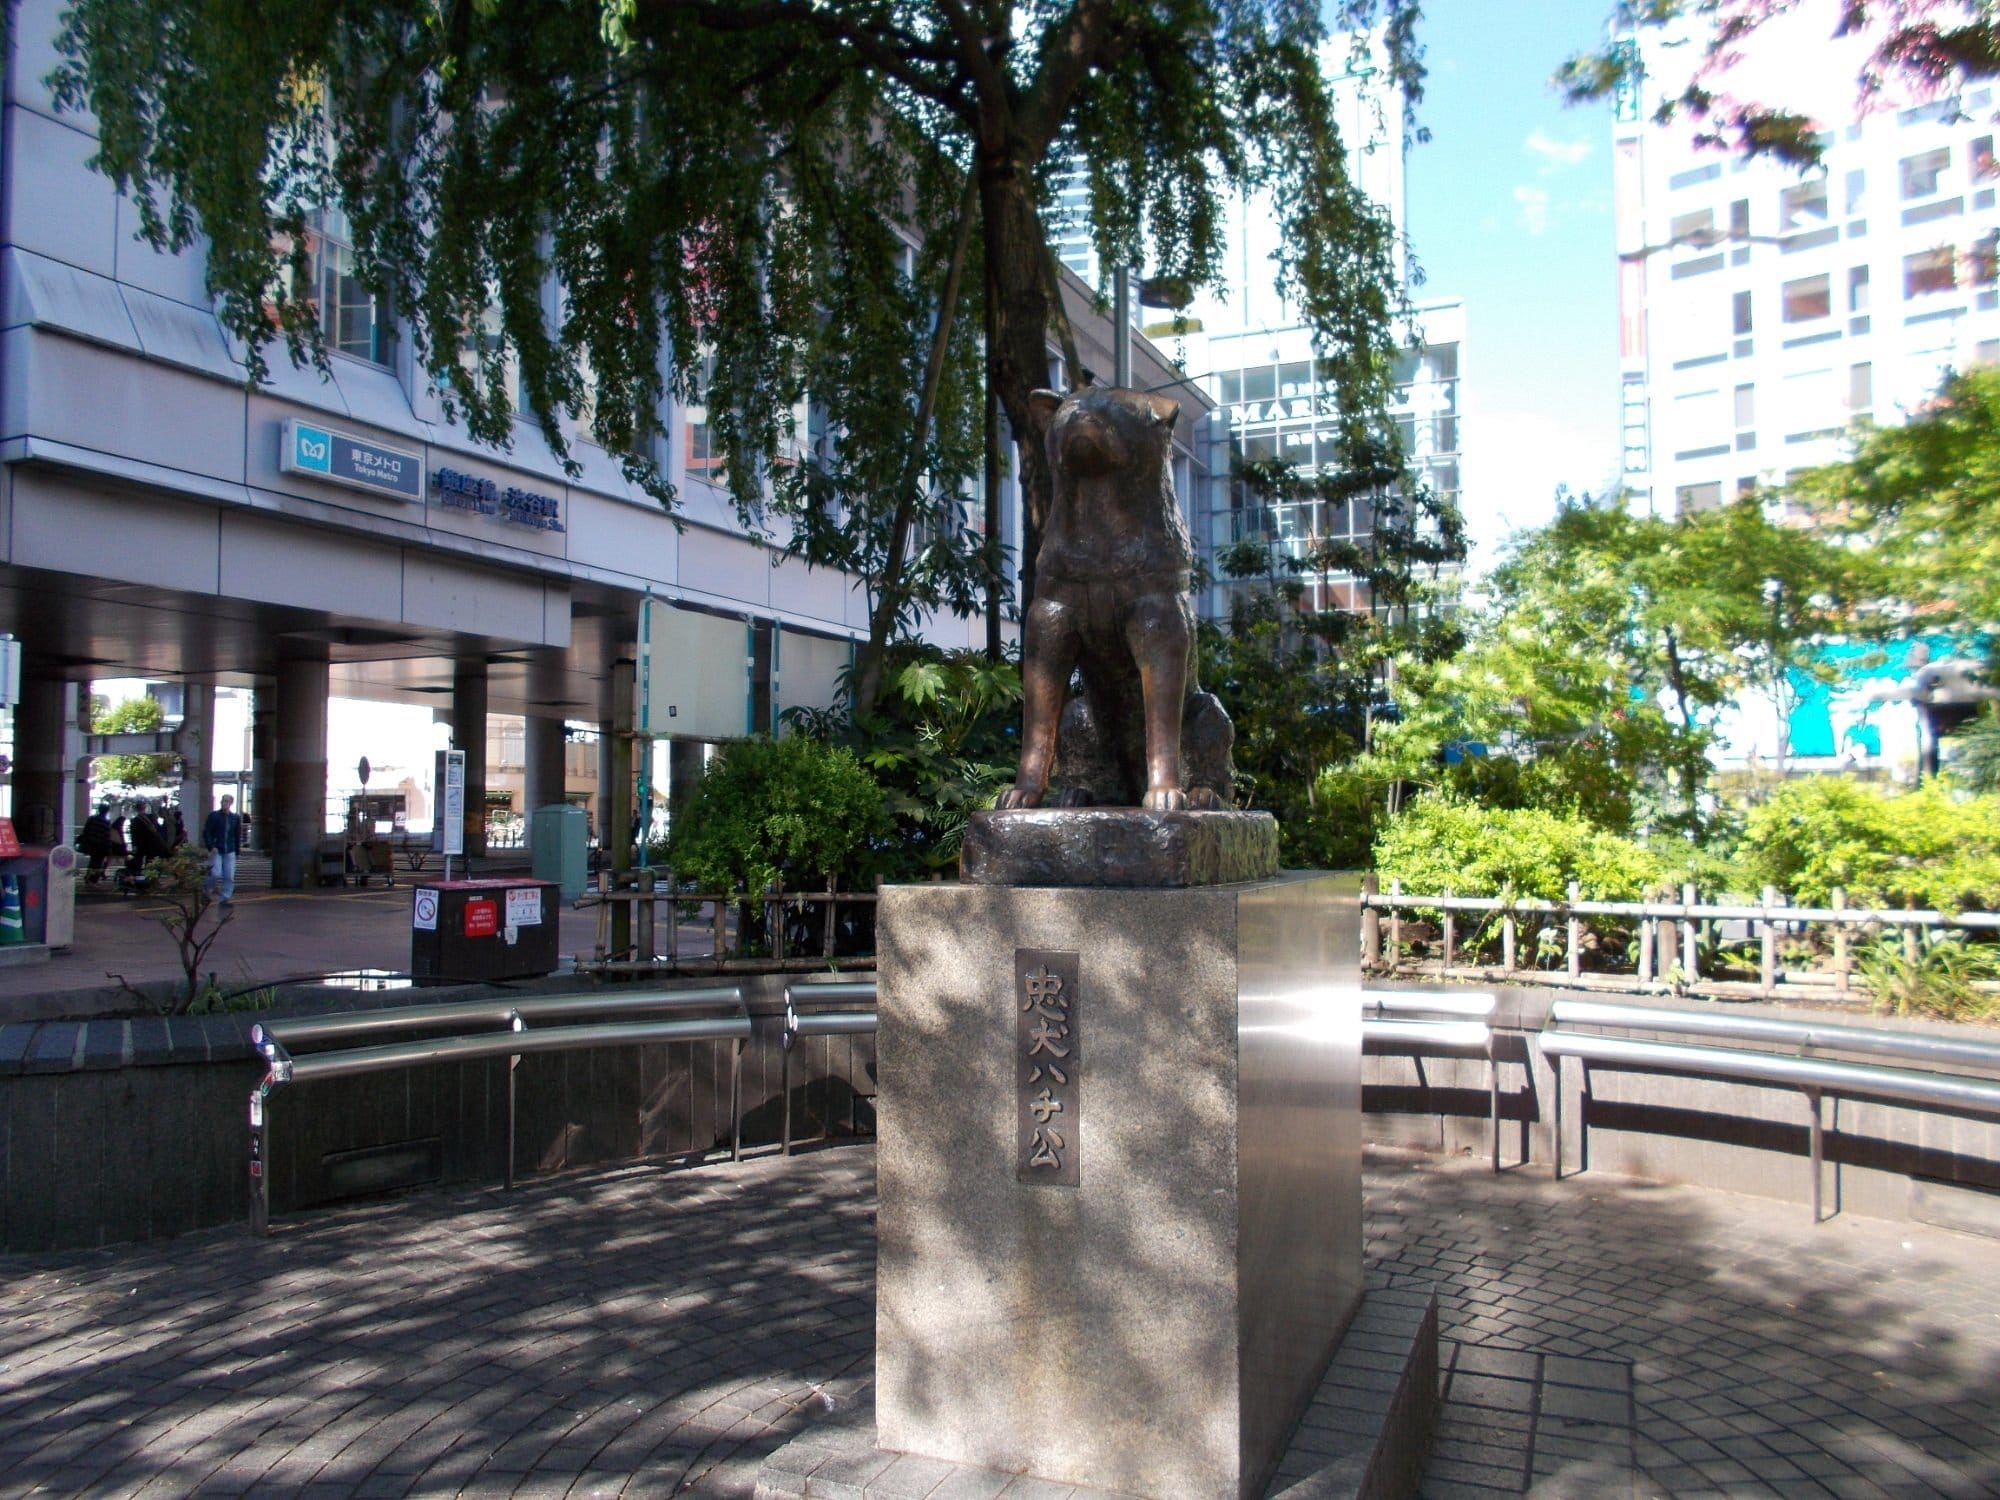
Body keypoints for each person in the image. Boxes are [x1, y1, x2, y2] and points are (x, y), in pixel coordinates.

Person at [202, 794, 243, 905]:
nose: (224, 803)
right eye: (223, 801)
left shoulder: (235, 818)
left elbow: (237, 835)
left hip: (230, 849)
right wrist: (211, 846)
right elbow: (207, 832)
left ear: (231, 803)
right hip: (216, 849)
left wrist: (237, 851)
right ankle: (206, 890)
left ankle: (225, 897)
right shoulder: (214, 816)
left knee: (229, 875)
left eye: (226, 801)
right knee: (215, 873)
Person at [79, 801, 115, 883]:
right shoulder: (106, 822)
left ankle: (88, 877)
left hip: (91, 844)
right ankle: (93, 879)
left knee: (92, 862)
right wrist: (109, 848)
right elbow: (107, 836)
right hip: (100, 846)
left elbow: (86, 831)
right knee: (98, 863)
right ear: (107, 811)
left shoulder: (91, 819)